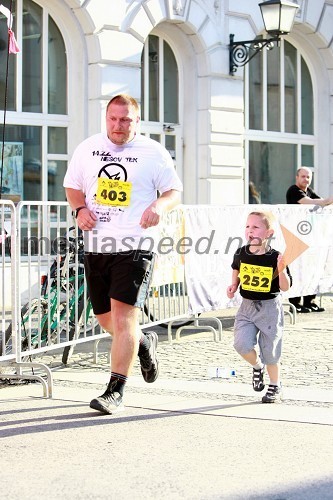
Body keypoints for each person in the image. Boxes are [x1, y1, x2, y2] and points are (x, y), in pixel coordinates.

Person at [63, 93, 183, 415]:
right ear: (106, 118)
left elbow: (174, 191)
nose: (118, 126)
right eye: (113, 119)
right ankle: (142, 342)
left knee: (123, 316)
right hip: (97, 245)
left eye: (126, 120)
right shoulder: (87, 148)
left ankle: (115, 390)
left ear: (137, 121)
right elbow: (72, 185)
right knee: (105, 319)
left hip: (135, 244)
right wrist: (79, 208)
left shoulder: (153, 152)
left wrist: (159, 205)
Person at [227, 211, 292, 403]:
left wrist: (281, 270)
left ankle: (275, 385)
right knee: (241, 344)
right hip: (247, 307)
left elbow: (285, 286)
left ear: (268, 232)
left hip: (269, 308)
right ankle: (257, 367)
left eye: (256, 227)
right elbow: (236, 269)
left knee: (271, 350)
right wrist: (233, 286)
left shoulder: (275, 257)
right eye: (247, 226)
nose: (250, 231)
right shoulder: (241, 252)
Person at [286, 166, 333, 313]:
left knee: (312, 268)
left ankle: (310, 301)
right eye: (303, 176)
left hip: (310, 237)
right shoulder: (293, 191)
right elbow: (311, 202)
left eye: (308, 177)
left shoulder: (309, 190)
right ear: (297, 177)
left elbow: (319, 201)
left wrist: (326, 202)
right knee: (297, 269)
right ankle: (295, 303)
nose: (306, 179)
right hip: (295, 236)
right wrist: (326, 200)